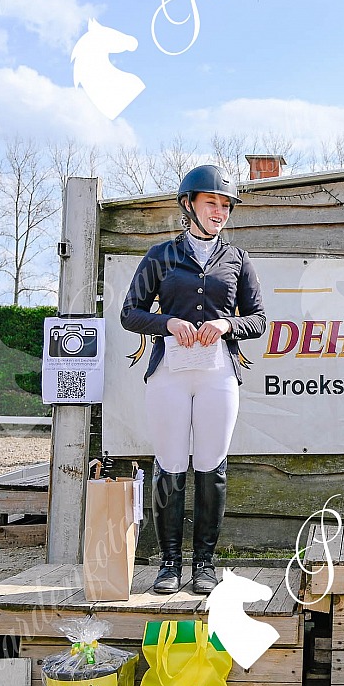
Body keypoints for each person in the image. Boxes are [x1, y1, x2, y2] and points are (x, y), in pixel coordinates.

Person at [121, 164, 266, 594]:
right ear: (189, 205)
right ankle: (169, 564)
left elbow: (258, 320)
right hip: (170, 374)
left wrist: (227, 327)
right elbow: (130, 313)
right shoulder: (160, 255)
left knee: (211, 465)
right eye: (211, 203)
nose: (219, 211)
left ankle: (204, 563)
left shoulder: (238, 259)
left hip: (218, 374)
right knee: (169, 463)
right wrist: (167, 323)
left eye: (225, 205)